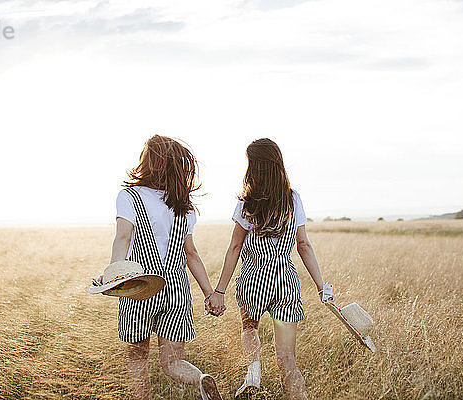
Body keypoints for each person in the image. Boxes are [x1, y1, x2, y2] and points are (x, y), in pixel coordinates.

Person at [206, 138, 325, 400]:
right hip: (285, 284)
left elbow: (235, 247)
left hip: (253, 282)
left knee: (249, 328)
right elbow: (303, 245)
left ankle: (254, 370)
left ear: (254, 167)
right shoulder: (293, 200)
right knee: (286, 357)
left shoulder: (247, 203)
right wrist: (320, 285)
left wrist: (219, 290)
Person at [108, 135, 223, 400]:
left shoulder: (129, 196)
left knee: (137, 361)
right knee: (171, 363)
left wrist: (115, 272)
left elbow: (123, 237)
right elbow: (191, 254)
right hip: (176, 290)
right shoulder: (184, 206)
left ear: (148, 162)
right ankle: (201, 379)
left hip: (141, 288)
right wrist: (209, 293)